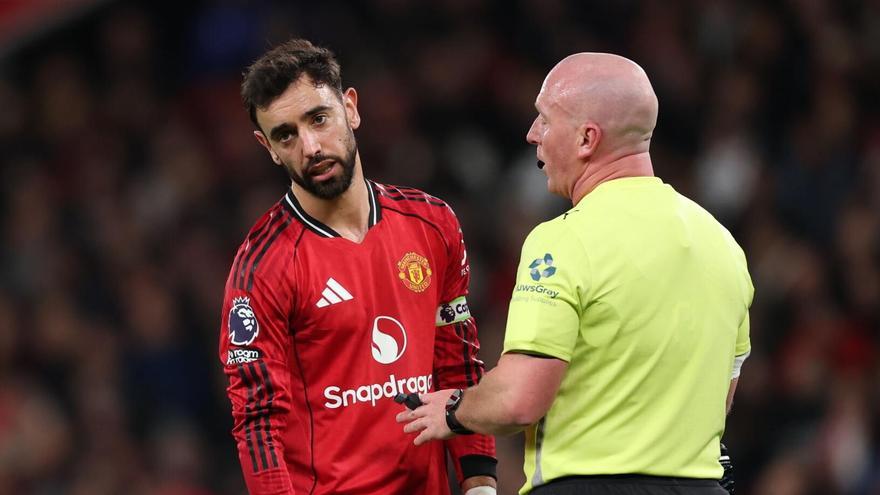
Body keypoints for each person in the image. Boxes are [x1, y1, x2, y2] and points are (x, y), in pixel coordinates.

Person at [398, 52, 753, 495]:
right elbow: (721, 398)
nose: (532, 135)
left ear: (587, 138)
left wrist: (451, 409)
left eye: (545, 119)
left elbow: (519, 399)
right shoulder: (723, 245)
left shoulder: (563, 241)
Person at [219, 38, 497, 495]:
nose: (310, 146)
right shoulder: (262, 267)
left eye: (319, 119)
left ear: (351, 108)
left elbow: (457, 363)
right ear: (266, 146)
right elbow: (257, 423)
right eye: (285, 135)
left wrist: (480, 481)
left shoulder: (432, 224)